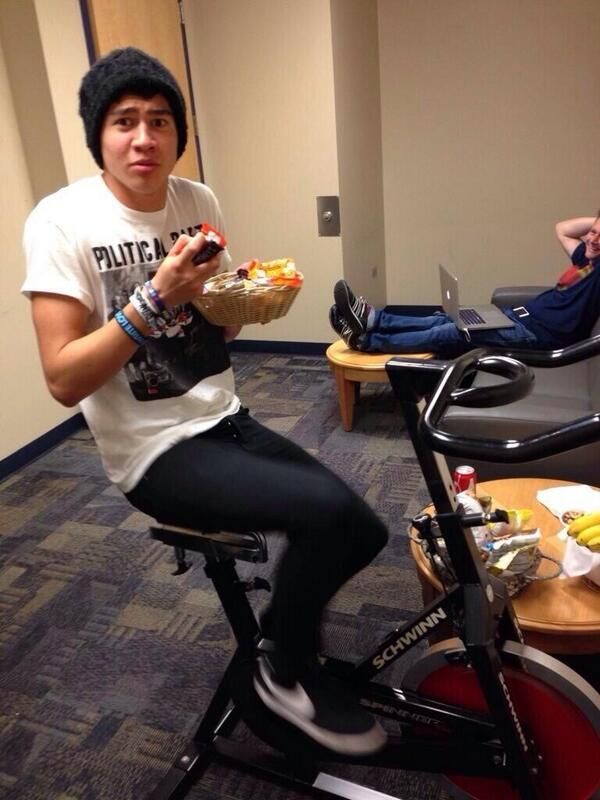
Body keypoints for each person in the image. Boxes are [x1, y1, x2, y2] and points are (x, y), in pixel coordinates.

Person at [22, 47, 388, 755]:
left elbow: (216, 318)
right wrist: (153, 298)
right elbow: (64, 378)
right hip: (152, 452)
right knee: (324, 515)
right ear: (99, 134)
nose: (144, 138)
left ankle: (281, 639)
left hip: (220, 415)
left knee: (364, 531)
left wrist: (248, 298)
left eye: (159, 121)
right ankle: (284, 674)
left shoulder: (197, 201)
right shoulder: (61, 223)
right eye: (124, 121)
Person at [330, 213, 600, 355]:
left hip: (540, 336)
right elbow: (562, 228)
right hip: (519, 318)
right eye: (593, 232)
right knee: (446, 318)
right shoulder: (585, 258)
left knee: (452, 333)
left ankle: (367, 341)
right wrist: (596, 222)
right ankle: (373, 319)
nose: (592, 238)